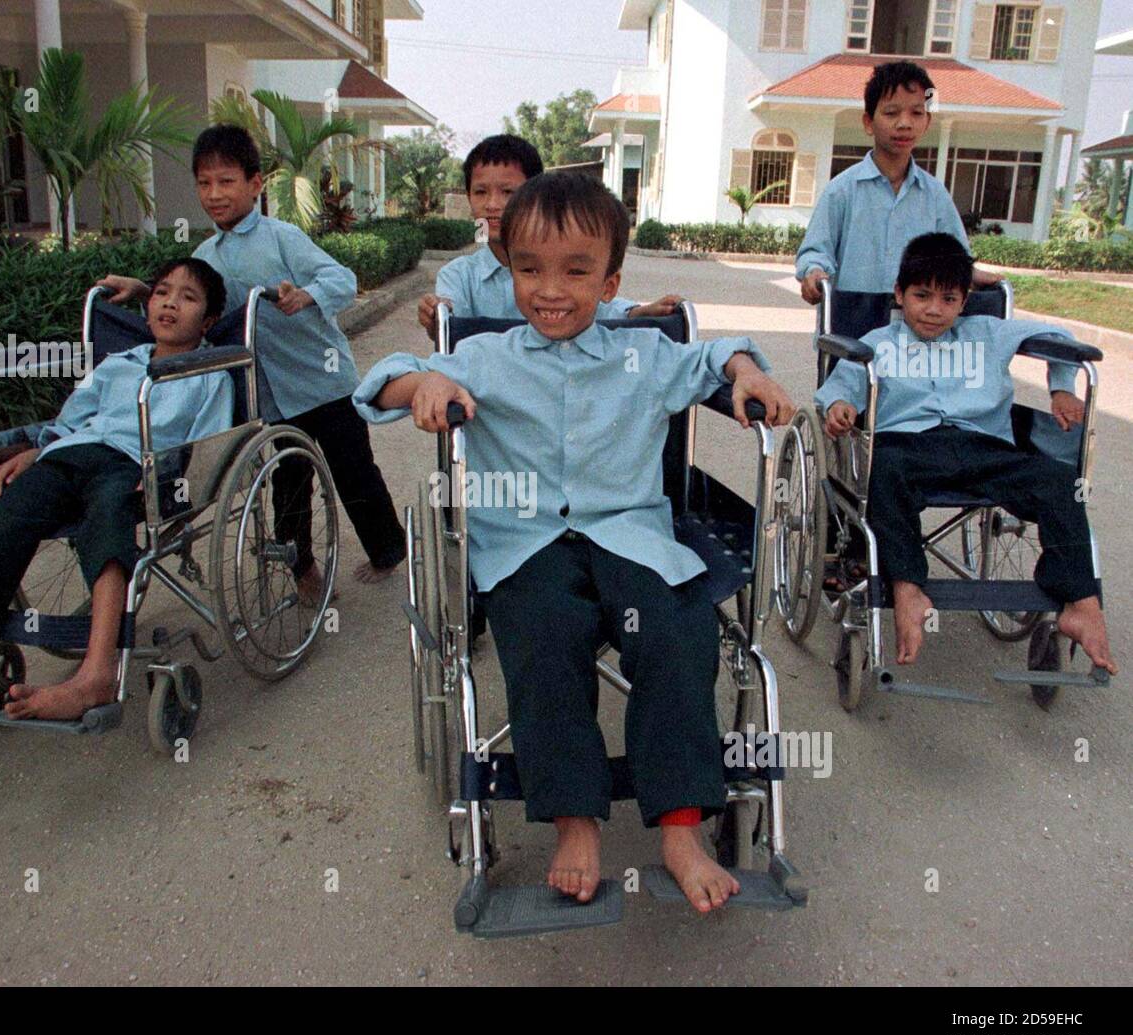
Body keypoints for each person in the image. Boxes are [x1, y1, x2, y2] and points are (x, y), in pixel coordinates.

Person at [355, 172, 795, 915]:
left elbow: (718, 356)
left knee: (678, 628)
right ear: (508, 268)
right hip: (525, 540)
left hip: (632, 535)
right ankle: (575, 819)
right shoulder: (488, 356)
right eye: (529, 269)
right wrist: (424, 382)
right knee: (542, 632)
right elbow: (384, 381)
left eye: (574, 271)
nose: (549, 289)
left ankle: (682, 828)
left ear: (611, 280)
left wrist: (747, 371)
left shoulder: (644, 356)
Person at [0, 259, 234, 776]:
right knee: (0, 529)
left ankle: (96, 673)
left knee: (107, 518)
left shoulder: (211, 372)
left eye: (187, 297)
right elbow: (69, 422)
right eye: (160, 293)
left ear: (209, 318)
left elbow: (207, 442)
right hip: (72, 456)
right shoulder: (119, 363)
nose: (169, 303)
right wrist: (36, 452)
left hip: (134, 466)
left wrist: (161, 473)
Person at [98, 124, 405, 593]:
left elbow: (340, 278)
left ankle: (386, 551)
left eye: (226, 181)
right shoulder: (206, 254)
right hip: (271, 393)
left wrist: (307, 294)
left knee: (353, 470)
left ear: (255, 184)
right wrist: (144, 291)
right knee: (290, 478)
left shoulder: (281, 237)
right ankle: (302, 570)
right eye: (204, 183)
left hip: (323, 380)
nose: (215, 194)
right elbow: (191, 308)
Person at [815, 232, 1116, 674]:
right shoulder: (878, 342)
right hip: (907, 447)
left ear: (965, 300)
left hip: (982, 448)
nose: (934, 309)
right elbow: (841, 389)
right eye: (921, 296)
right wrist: (842, 408)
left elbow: (1059, 335)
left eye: (949, 298)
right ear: (899, 294)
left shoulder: (988, 333)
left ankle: (1080, 601)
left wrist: (1061, 388)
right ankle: (908, 587)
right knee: (883, 473)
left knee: (1059, 484)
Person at [416, 134, 681, 337]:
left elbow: (595, 302)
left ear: (535, 196)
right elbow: (449, 332)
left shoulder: (562, 266)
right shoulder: (458, 276)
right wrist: (436, 318)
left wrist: (637, 314)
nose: (493, 204)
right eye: (481, 192)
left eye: (508, 192)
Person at [796, 60, 1000, 305]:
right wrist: (814, 271)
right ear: (868, 122)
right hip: (852, 326)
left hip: (916, 331)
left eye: (916, 113)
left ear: (927, 123)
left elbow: (955, 258)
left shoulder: (935, 195)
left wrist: (970, 275)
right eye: (891, 113)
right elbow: (816, 250)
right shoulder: (842, 191)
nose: (905, 123)